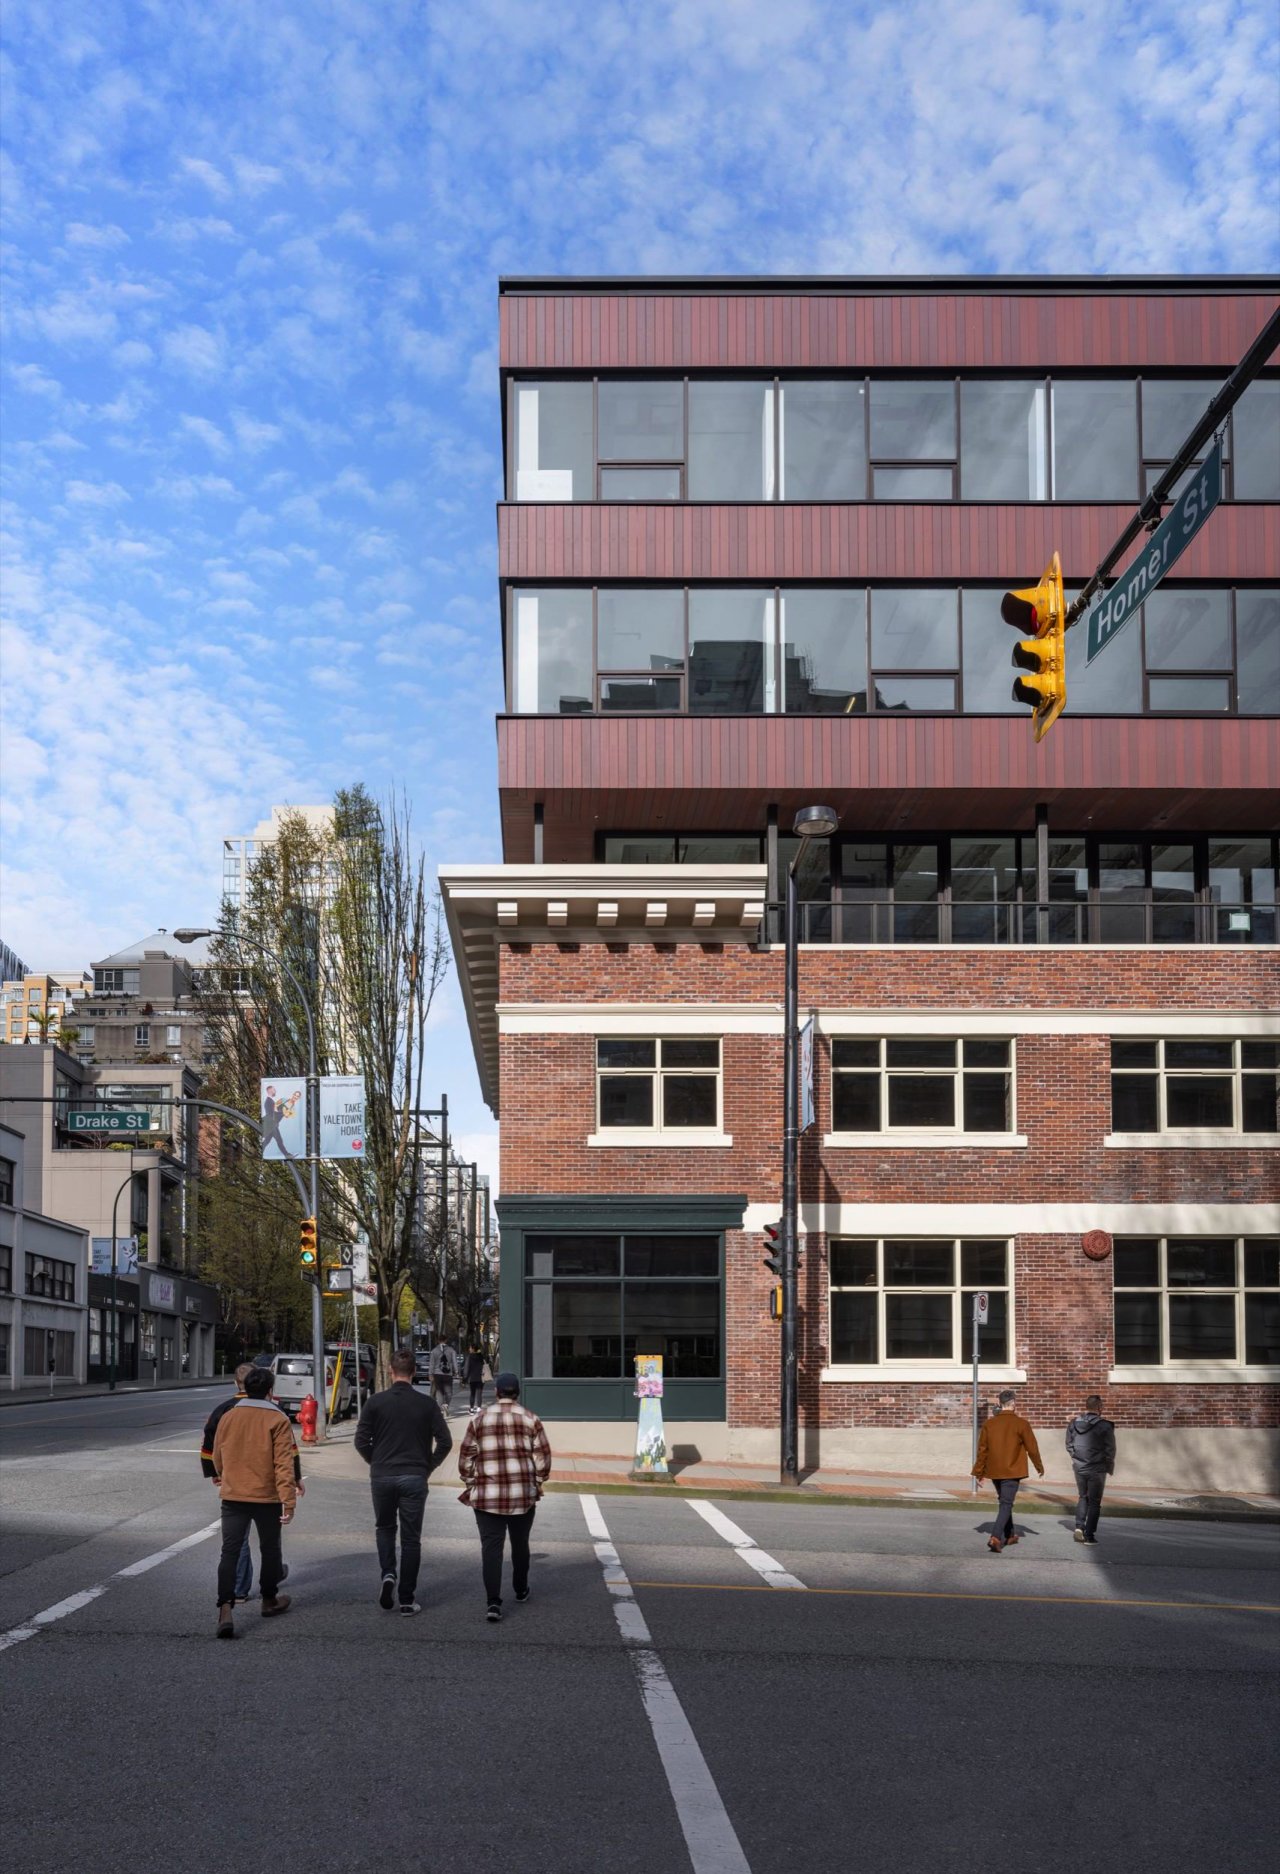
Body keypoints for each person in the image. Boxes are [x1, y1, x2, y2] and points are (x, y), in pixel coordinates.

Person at [353, 1346, 452, 1616]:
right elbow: (445, 1442)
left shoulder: (375, 1402)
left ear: (390, 1370)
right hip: (414, 1476)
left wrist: (375, 1461)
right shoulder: (427, 1404)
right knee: (411, 1539)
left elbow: (360, 1440)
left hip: (383, 1475)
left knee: (385, 1528)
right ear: (415, 1372)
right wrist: (427, 1467)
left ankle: (388, 1575)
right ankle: (407, 1599)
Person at [201, 1362, 303, 1601]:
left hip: (233, 1494)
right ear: (270, 1390)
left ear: (242, 1387)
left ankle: (225, 1607)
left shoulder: (227, 1415)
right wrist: (289, 1502)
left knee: (230, 1551)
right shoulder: (278, 1418)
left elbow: (216, 1453)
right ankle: (269, 1600)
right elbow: (284, 1463)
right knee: (269, 1549)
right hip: (266, 1495)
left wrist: (224, 1474)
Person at [457, 1371, 551, 1622]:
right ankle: (520, 1589)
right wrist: (538, 1481)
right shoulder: (531, 1419)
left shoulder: (479, 1419)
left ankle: (493, 1603)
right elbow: (543, 1456)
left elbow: (466, 1455)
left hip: (488, 1495)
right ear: (517, 1393)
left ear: (497, 1393)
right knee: (521, 1545)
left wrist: (469, 1480)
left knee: (491, 1549)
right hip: (522, 1495)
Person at [972, 1387, 1044, 1553]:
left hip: (995, 1470)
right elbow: (1032, 1448)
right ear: (1014, 1404)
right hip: (1013, 1471)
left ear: (999, 1403)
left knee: (1005, 1501)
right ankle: (995, 1537)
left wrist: (979, 1472)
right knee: (1006, 1503)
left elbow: (983, 1450)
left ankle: (1010, 1535)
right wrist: (1039, 1466)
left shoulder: (989, 1424)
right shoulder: (1022, 1424)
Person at [1066, 1393, 1116, 1544]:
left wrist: (1077, 1458)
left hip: (1079, 1466)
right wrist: (1107, 1465)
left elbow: (1069, 1445)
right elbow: (1110, 1450)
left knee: (1083, 1496)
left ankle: (1079, 1527)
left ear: (1086, 1407)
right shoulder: (1105, 1426)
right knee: (1094, 1502)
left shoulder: (1073, 1423)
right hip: (1097, 1468)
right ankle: (1089, 1536)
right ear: (1100, 1408)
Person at [427, 1339, 458, 1417]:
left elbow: (432, 1363)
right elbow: (454, 1361)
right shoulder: (451, 1350)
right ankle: (446, 1404)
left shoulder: (434, 1351)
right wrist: (456, 1371)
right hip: (448, 1374)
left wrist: (430, 1374)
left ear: (438, 1341)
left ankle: (441, 1409)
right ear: (446, 1340)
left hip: (437, 1374)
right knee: (449, 1392)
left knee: (439, 1392)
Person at [463, 1344, 486, 1414]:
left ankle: (472, 1409)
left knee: (472, 1393)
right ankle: (479, 1408)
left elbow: (466, 1369)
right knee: (479, 1393)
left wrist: (465, 1379)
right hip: (480, 1377)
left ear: (473, 1349)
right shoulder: (481, 1356)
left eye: (470, 1348)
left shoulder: (469, 1357)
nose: (469, 1349)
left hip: (472, 1378)